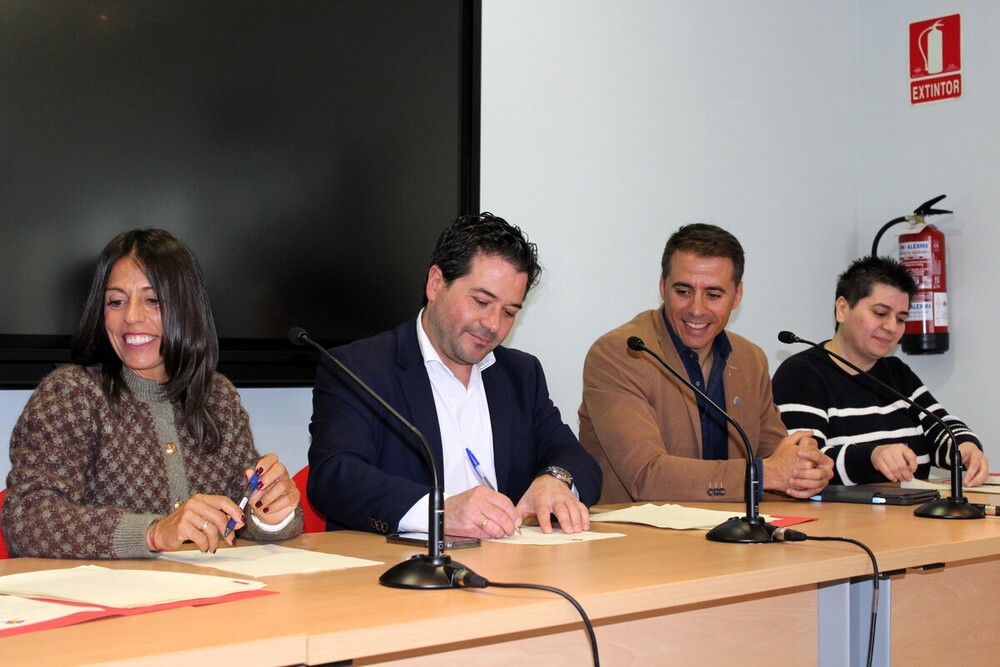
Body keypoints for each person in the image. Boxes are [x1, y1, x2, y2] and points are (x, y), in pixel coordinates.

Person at [3, 229, 302, 559]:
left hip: (208, 598)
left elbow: (241, 515)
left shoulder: (216, 396)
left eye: (153, 300)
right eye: (116, 301)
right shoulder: (71, 394)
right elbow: (26, 518)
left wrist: (272, 513)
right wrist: (154, 532)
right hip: (111, 603)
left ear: (187, 308)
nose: (131, 317)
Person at [308, 212, 602, 538]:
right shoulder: (359, 369)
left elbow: (576, 459)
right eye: (480, 301)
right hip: (399, 573)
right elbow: (336, 477)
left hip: (510, 569)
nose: (493, 324)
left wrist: (555, 480)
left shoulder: (521, 375)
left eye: (508, 312)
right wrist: (439, 511)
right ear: (436, 284)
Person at [578, 223, 833, 503]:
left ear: (737, 296)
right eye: (683, 291)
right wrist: (762, 474)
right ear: (662, 286)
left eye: (713, 295)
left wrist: (805, 468)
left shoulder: (750, 359)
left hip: (730, 535)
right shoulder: (620, 354)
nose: (696, 309)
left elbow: (775, 459)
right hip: (640, 540)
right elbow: (646, 476)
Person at [772, 255, 989, 487]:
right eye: (881, 313)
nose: (892, 327)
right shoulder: (801, 374)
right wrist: (873, 456)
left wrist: (965, 447)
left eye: (901, 318)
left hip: (912, 514)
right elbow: (805, 464)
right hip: (843, 520)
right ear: (842, 309)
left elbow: (939, 426)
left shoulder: (896, 372)